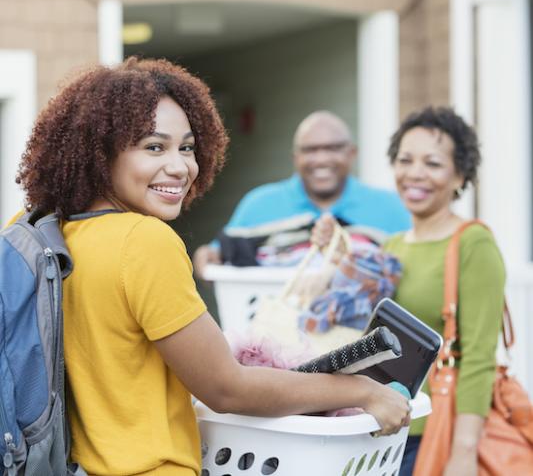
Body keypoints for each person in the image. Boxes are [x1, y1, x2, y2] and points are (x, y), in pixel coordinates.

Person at [13, 57, 411, 476]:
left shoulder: (43, 232)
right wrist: (361, 391)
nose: (180, 166)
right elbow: (226, 387)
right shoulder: (144, 242)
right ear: (100, 153)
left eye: (186, 147)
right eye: (154, 146)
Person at [314, 106, 506, 476]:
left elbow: (480, 358)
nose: (414, 173)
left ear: (460, 174)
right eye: (405, 160)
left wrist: (464, 452)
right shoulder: (392, 247)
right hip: (378, 427)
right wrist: (336, 257)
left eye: (432, 163)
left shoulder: (473, 243)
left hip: (435, 432)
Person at [193, 110, 411, 277]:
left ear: (352, 153)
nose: (322, 159)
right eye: (310, 150)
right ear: (295, 157)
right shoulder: (259, 204)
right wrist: (205, 257)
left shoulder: (391, 207)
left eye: (333, 148)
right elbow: (216, 257)